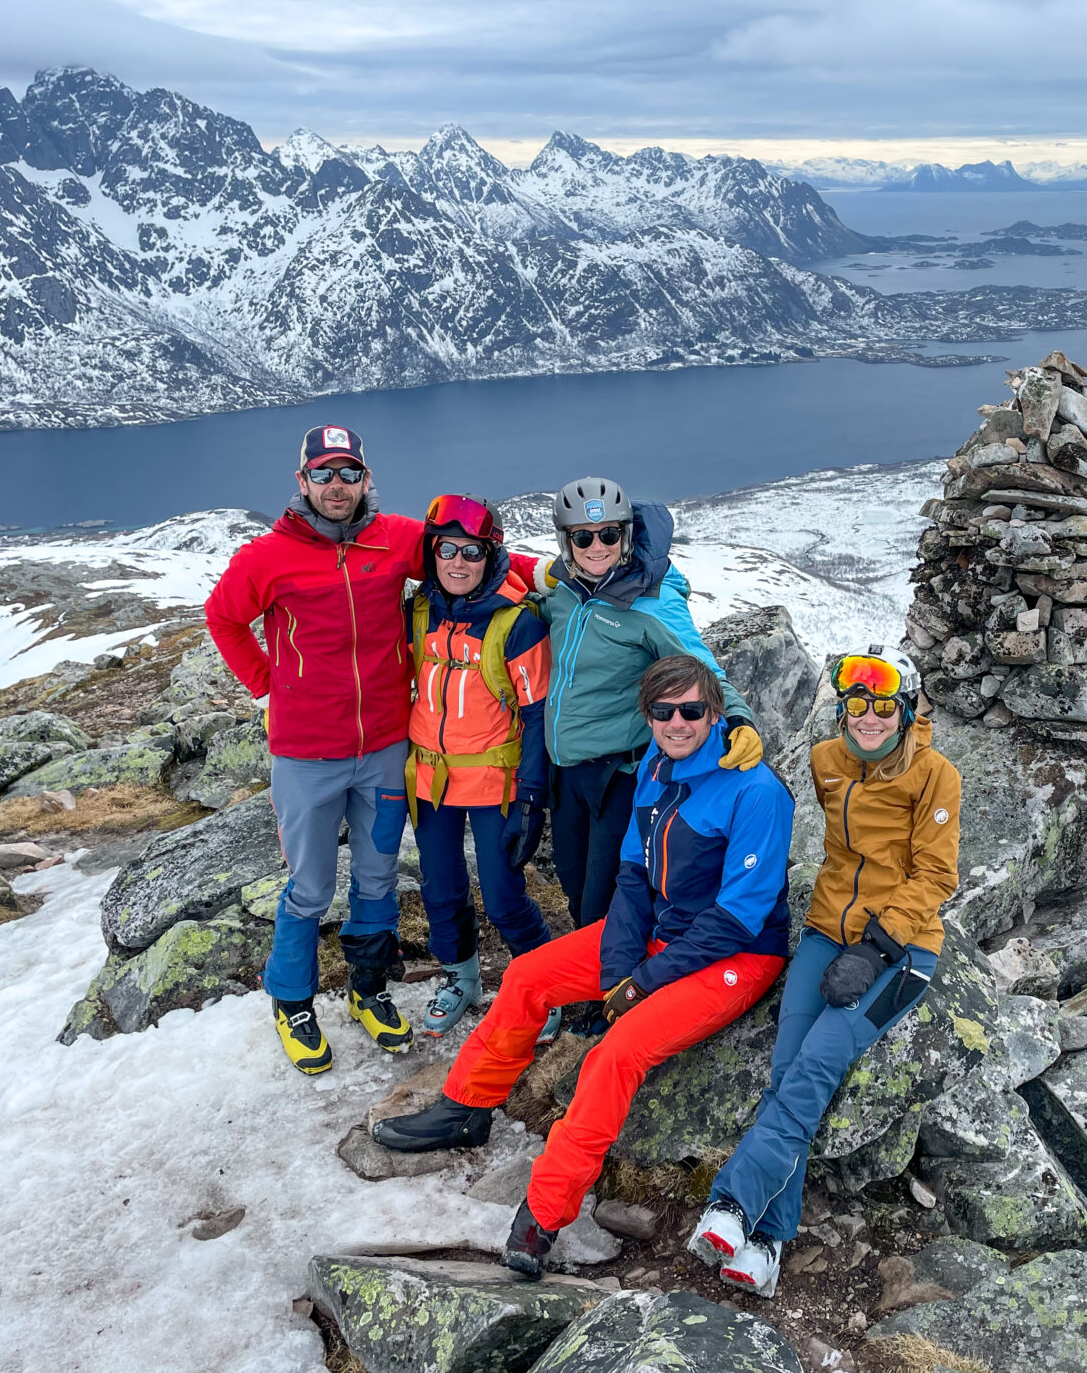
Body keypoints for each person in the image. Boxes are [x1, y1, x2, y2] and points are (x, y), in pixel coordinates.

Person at [370, 654, 794, 1279]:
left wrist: (644, 982)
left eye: (691, 710)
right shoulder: (656, 766)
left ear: (715, 713)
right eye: (663, 710)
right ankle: (465, 1108)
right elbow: (632, 875)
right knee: (525, 978)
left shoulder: (755, 789)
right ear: (648, 715)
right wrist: (621, 965)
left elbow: (737, 917)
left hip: (733, 955)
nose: (677, 722)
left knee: (615, 1055)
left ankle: (544, 1214)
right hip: (655, 933)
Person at [688, 647, 959, 1297]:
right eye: (856, 704)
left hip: (901, 952)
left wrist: (875, 951)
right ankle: (770, 1245)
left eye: (882, 705)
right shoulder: (826, 761)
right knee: (786, 1072)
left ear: (906, 707)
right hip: (825, 931)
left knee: (814, 1070)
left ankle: (732, 1206)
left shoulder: (934, 775)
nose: (867, 717)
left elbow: (936, 876)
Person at [204, 424, 426, 1074]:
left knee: (379, 878)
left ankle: (367, 991)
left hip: (384, 745)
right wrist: (268, 684)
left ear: (365, 479)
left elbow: (469, 552)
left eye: (349, 472)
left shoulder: (396, 539)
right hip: (306, 755)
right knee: (310, 887)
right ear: (302, 482)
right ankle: (292, 1000)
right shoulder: (267, 557)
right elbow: (223, 617)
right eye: (324, 473)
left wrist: (561, 569)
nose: (338, 485)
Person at [536, 477, 763, 1033]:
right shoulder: (563, 588)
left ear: (627, 534)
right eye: (582, 537)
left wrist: (736, 719)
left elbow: (699, 668)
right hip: (566, 771)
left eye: (608, 535)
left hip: (620, 771)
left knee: (606, 893)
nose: (596, 548)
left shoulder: (652, 601)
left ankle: (608, 998)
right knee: (570, 880)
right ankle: (595, 978)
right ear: (565, 541)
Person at [404, 494, 560, 1044]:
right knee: (441, 888)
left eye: (472, 551)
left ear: (490, 556)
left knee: (502, 895)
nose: (458, 562)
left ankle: (543, 986)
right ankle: (460, 977)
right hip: (431, 781)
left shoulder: (515, 625)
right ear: (433, 553)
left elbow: (539, 713)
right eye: (447, 549)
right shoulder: (419, 612)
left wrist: (533, 798)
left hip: (497, 785)